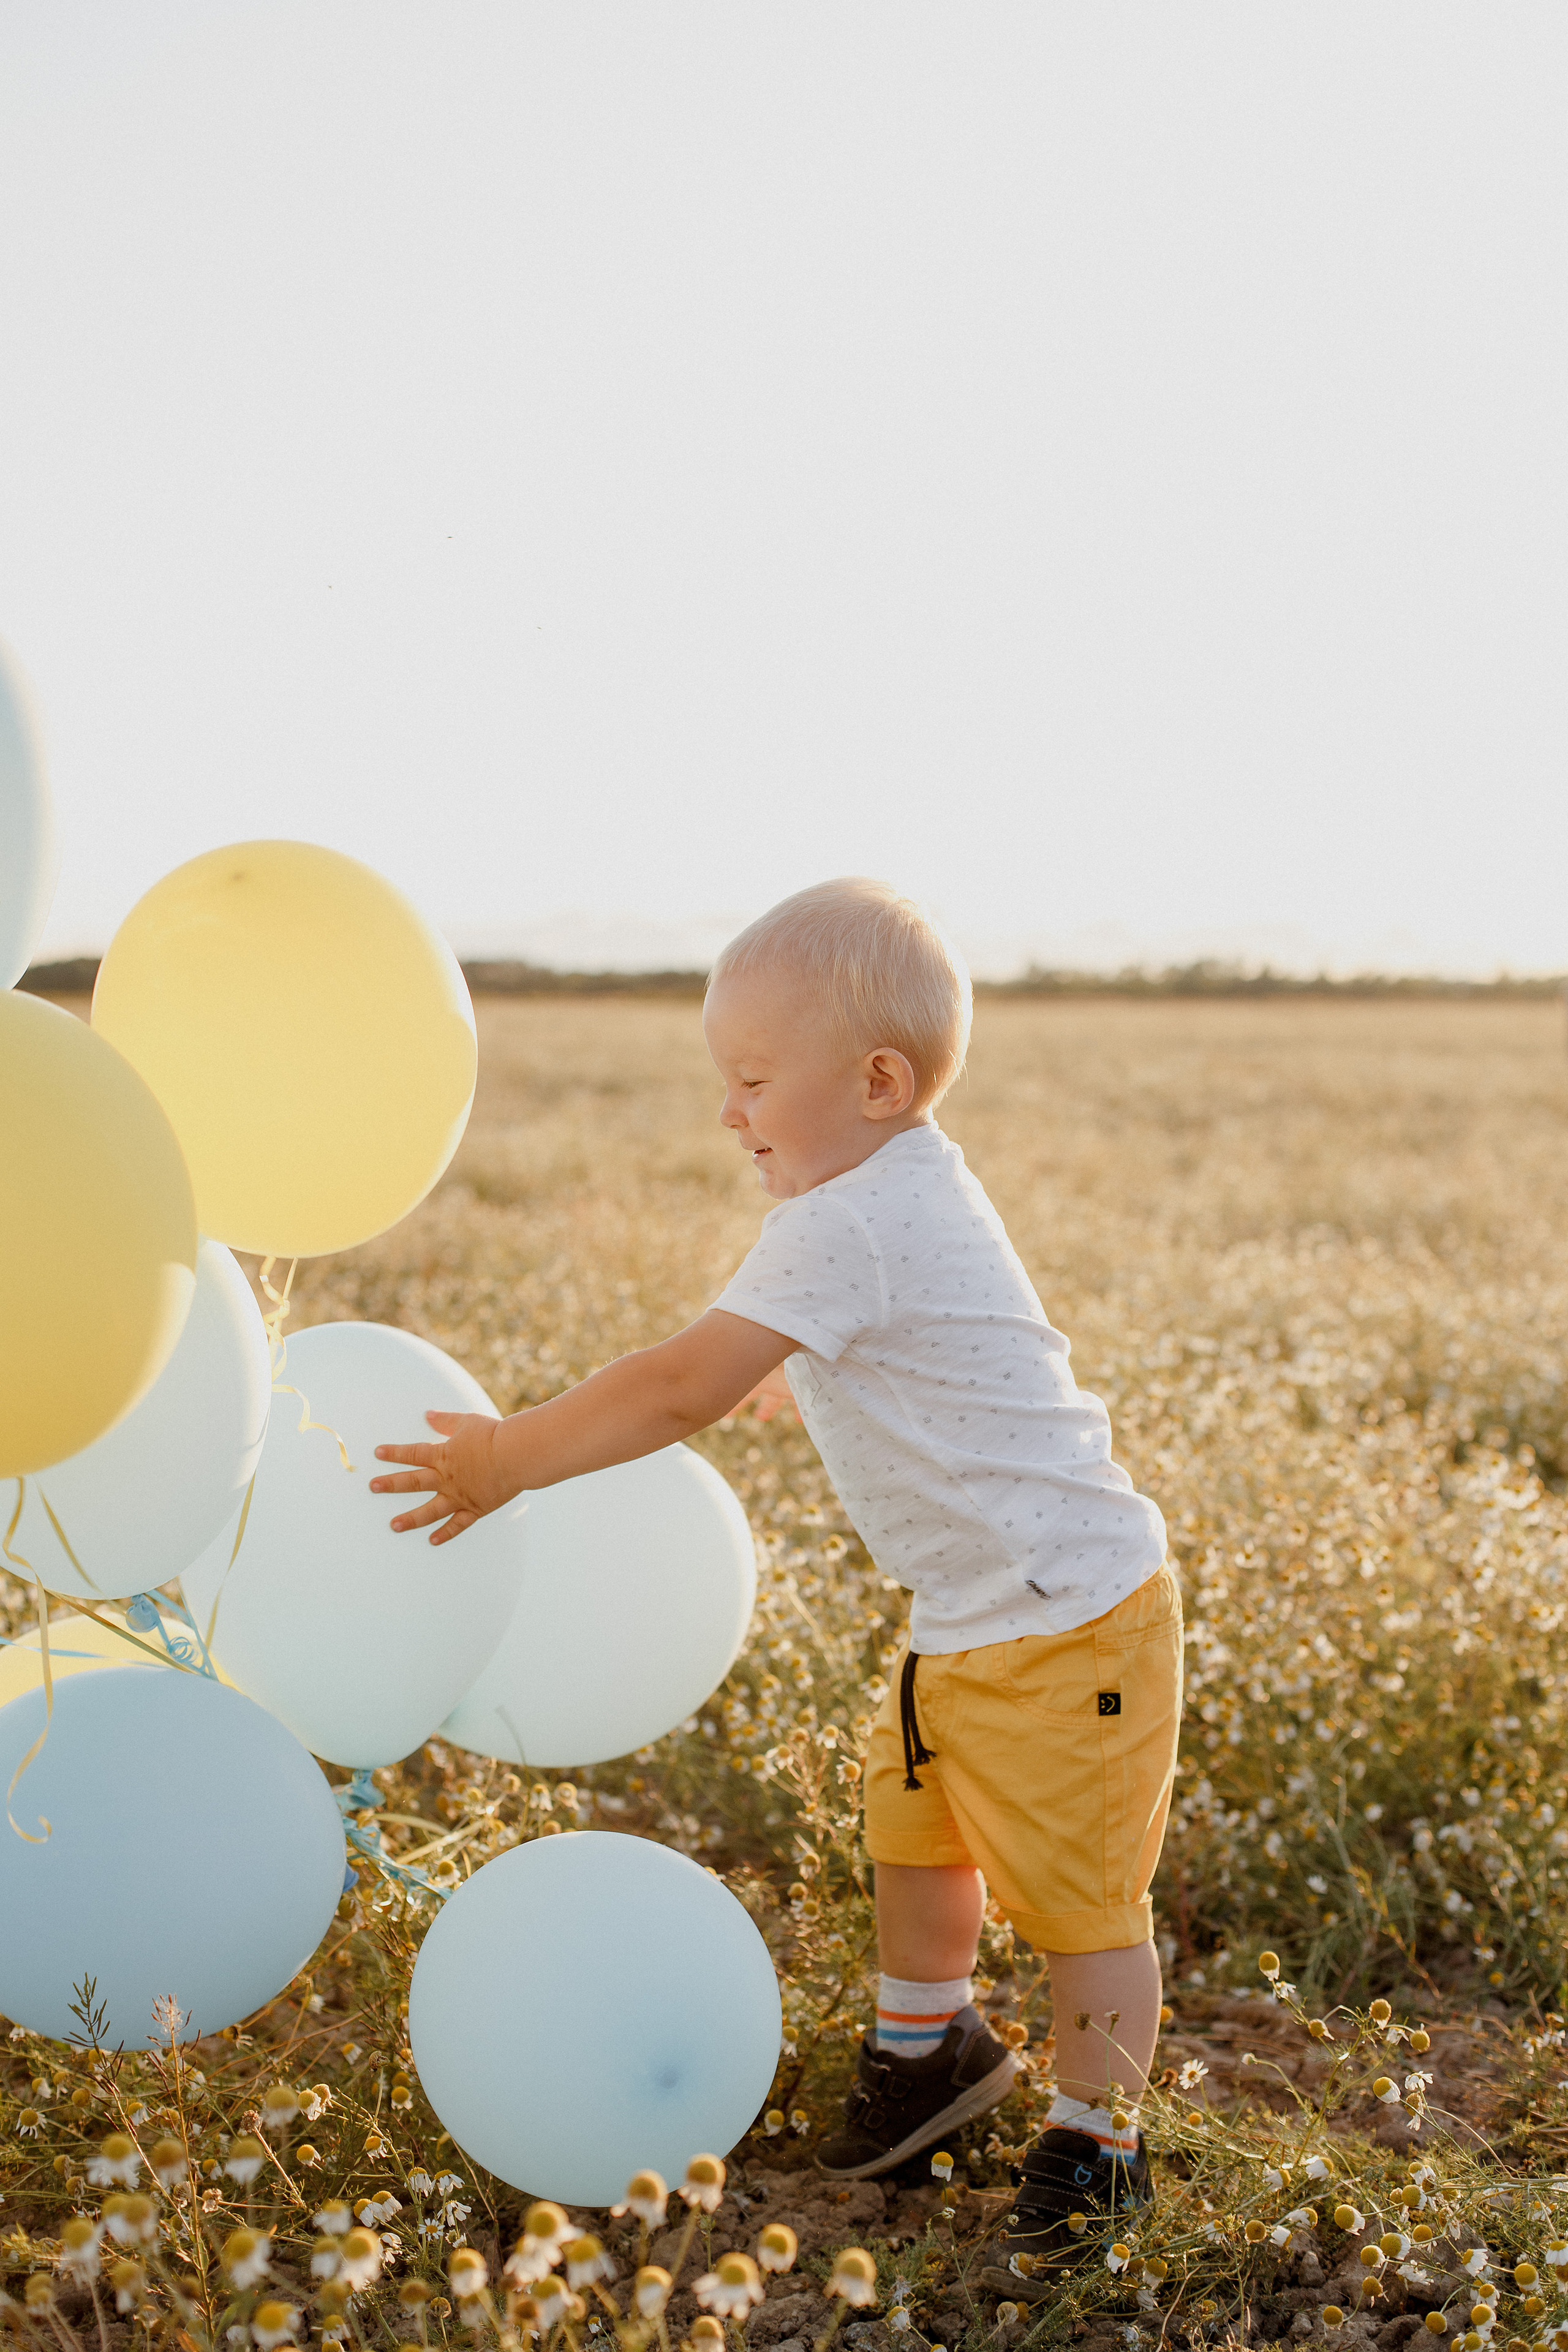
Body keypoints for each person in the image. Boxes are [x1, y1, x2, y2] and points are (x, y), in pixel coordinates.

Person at [370, 876, 1182, 2261]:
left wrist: (506, 1457)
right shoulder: (894, 1184)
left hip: (1068, 1621)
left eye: (751, 1080)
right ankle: (928, 2058)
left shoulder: (842, 1220)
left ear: (875, 1080)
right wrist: (807, 1383)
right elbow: (923, 1353)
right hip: (972, 1618)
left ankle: (1097, 2145)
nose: (729, 1113)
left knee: (1082, 1907)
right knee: (911, 1840)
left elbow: (679, 1383)